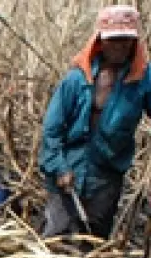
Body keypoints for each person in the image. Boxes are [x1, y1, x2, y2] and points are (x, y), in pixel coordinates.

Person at [40, 5, 151, 239]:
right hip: (68, 171)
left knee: (93, 242)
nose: (119, 47)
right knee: (56, 239)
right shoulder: (76, 79)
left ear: (134, 42)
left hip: (106, 176)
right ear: (100, 40)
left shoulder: (142, 81)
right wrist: (60, 168)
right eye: (113, 40)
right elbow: (51, 130)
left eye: (125, 40)